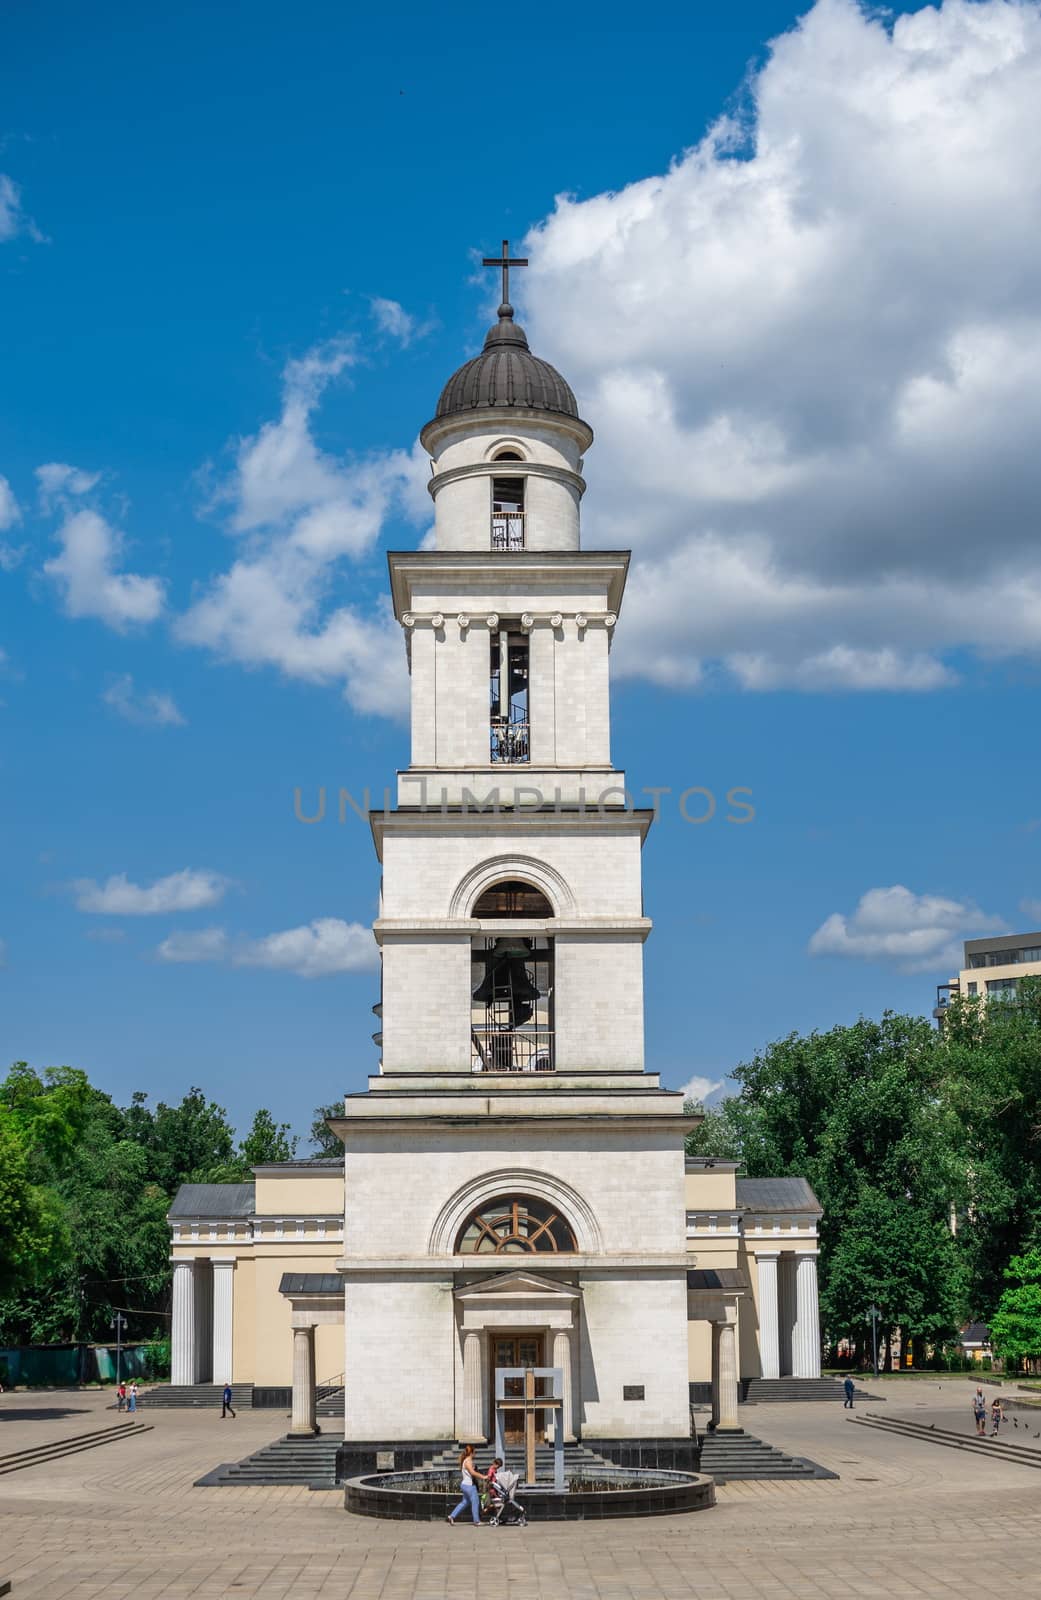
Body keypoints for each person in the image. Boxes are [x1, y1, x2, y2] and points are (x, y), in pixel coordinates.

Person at [447, 1444, 485, 1525]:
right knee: (475, 1502)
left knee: (465, 1502)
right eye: (475, 1452)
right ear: (471, 1453)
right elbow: (472, 1472)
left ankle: (452, 1516)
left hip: (465, 1485)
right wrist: (483, 1477)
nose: (475, 1454)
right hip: (469, 1486)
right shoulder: (468, 1461)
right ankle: (476, 1521)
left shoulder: (466, 1460)